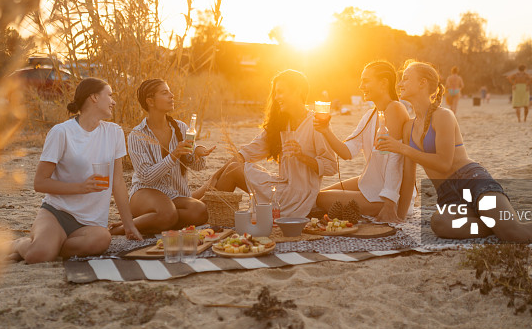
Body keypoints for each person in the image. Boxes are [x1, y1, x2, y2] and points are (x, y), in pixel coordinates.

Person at [376, 61, 532, 242]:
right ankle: (495, 224)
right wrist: (398, 217)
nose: (400, 83)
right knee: (440, 223)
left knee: (515, 235)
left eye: (406, 77)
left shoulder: (443, 116)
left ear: (423, 83)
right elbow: (409, 178)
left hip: (472, 181)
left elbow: (443, 163)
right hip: (448, 197)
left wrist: (402, 148)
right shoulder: (408, 127)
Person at [10, 78, 142, 264]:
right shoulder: (61, 132)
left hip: (91, 223)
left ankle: (50, 245)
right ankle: (20, 244)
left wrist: (129, 226)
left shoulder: (114, 133)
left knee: (103, 239)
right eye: (109, 95)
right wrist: (81, 187)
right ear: (94, 97)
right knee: (37, 257)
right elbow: (40, 183)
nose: (113, 101)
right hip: (57, 213)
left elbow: (118, 182)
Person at [213, 70, 336, 218]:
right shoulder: (281, 124)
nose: (277, 97)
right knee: (233, 168)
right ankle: (210, 214)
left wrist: (302, 156)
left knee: (233, 170)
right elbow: (245, 153)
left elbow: (331, 167)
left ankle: (209, 216)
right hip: (281, 187)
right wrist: (214, 177)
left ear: (298, 91)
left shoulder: (316, 123)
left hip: (300, 197)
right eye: (275, 93)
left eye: (280, 92)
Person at [313, 61, 414, 222]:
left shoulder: (395, 108)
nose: (361, 86)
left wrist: (389, 204)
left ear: (383, 83)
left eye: (366, 81)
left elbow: (395, 161)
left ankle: (383, 207)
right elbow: (347, 152)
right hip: (372, 182)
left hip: (389, 195)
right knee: (316, 196)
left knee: (320, 199)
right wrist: (326, 130)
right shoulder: (370, 115)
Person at [120, 79, 218, 236]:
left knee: (200, 211)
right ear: (150, 101)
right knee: (168, 212)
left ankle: (154, 219)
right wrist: (173, 156)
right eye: (165, 93)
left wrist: (198, 154)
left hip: (173, 195)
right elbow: (146, 177)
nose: (172, 96)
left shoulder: (181, 128)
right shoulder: (137, 135)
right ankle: (121, 228)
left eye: (170, 92)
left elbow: (197, 167)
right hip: (145, 192)